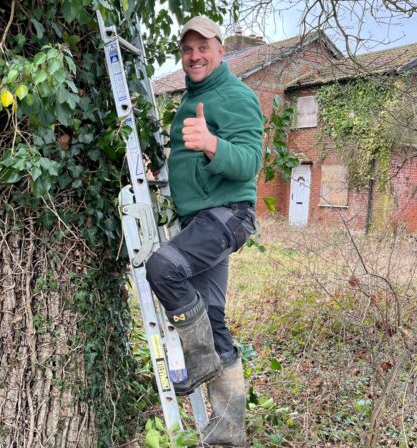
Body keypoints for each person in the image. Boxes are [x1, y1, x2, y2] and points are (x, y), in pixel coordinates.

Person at [145, 15, 263, 448]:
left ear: (220, 50)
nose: (194, 56)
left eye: (203, 47)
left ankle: (199, 362)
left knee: (162, 267)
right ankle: (229, 435)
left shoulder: (235, 95)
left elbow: (250, 161)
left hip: (227, 215)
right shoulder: (192, 97)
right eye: (188, 49)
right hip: (202, 220)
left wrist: (212, 143)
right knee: (213, 321)